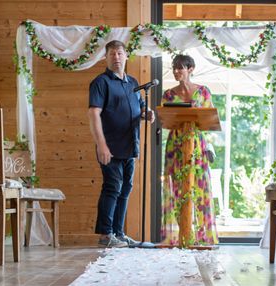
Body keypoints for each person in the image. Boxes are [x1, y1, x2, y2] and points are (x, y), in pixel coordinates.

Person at [88, 40, 154, 248]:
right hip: (110, 146)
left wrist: (147, 114)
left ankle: (119, 233)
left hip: (130, 146)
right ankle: (106, 235)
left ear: (126, 56)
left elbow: (139, 109)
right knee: (112, 187)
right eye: (111, 54)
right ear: (106, 58)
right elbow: (93, 114)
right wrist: (101, 145)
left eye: (119, 53)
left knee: (125, 189)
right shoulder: (100, 83)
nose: (116, 57)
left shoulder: (133, 83)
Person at [161, 54, 218, 246]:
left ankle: (202, 236)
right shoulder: (168, 94)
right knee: (177, 189)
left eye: (180, 68)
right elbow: (165, 119)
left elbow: (209, 119)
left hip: (197, 144)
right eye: (174, 68)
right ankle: (182, 235)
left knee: (200, 188)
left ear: (190, 69)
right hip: (175, 145)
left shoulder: (203, 92)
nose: (176, 71)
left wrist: (209, 146)